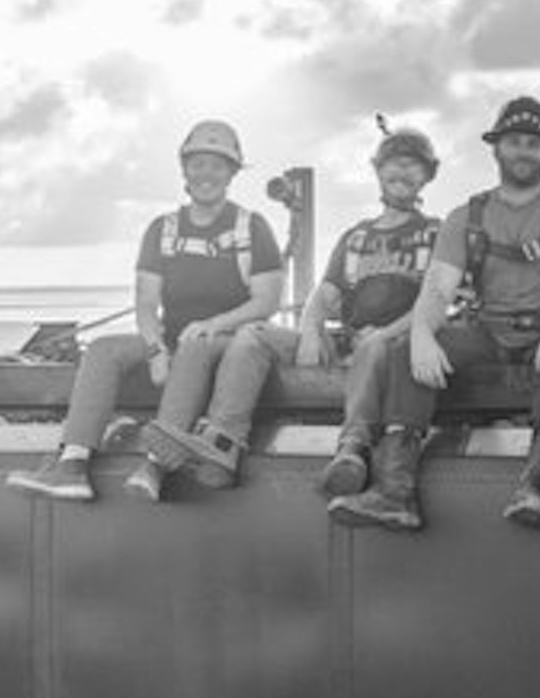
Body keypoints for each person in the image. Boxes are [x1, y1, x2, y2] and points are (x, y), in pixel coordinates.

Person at [328, 95, 540, 534]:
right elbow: (438, 288)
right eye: (515, 142)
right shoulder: (468, 216)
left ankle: (533, 487)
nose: (524, 151)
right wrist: (423, 335)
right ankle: (395, 492)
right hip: (490, 330)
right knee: (408, 351)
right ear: (497, 148)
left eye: (534, 144)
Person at [6, 120, 285, 506]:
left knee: (193, 342)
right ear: (184, 169)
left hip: (229, 340)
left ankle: (155, 464)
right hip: (173, 336)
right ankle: (72, 465)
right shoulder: (163, 229)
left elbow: (265, 302)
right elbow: (145, 302)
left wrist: (212, 325)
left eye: (217, 166)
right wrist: (155, 349)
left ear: (232, 173)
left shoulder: (251, 227)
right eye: (198, 164)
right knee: (105, 349)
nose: (207, 174)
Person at [173, 121, 439, 502]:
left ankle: (353, 450)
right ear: (377, 171)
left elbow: (436, 302)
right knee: (252, 335)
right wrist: (312, 329)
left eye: (413, 165)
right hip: (347, 340)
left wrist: (386, 333)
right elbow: (323, 295)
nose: (401, 171)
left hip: (392, 347)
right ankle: (224, 443)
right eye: (393, 163)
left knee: (374, 346)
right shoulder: (357, 237)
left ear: (427, 176)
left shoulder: (435, 234)